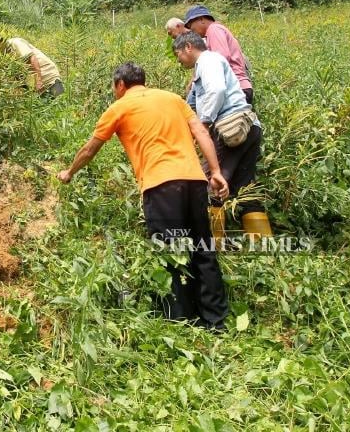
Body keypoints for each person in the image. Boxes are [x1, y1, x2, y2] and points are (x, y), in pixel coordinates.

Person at [57, 62, 229, 329]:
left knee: (169, 252)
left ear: (120, 85)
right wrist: (215, 171)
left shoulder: (119, 107)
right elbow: (200, 132)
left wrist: (69, 172)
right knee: (202, 249)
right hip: (195, 181)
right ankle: (215, 322)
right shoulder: (173, 99)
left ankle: (179, 322)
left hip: (160, 184)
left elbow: (90, 149)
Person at [173, 32, 273, 242]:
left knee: (210, 182)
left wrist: (205, 123)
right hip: (248, 127)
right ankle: (262, 246)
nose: (178, 60)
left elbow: (217, 91)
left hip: (231, 129)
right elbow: (190, 107)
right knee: (245, 187)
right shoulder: (205, 67)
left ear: (188, 47)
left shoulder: (208, 60)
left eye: (178, 54)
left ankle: (212, 247)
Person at [183, 5, 254, 104]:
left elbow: (220, 59)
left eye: (192, 27)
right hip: (239, 87)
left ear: (201, 19)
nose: (192, 31)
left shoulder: (214, 29)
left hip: (235, 90)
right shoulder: (215, 31)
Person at [0, 32, 64, 97]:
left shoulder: (15, 43)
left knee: (58, 105)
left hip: (48, 75)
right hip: (33, 86)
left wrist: (38, 81)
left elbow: (32, 58)